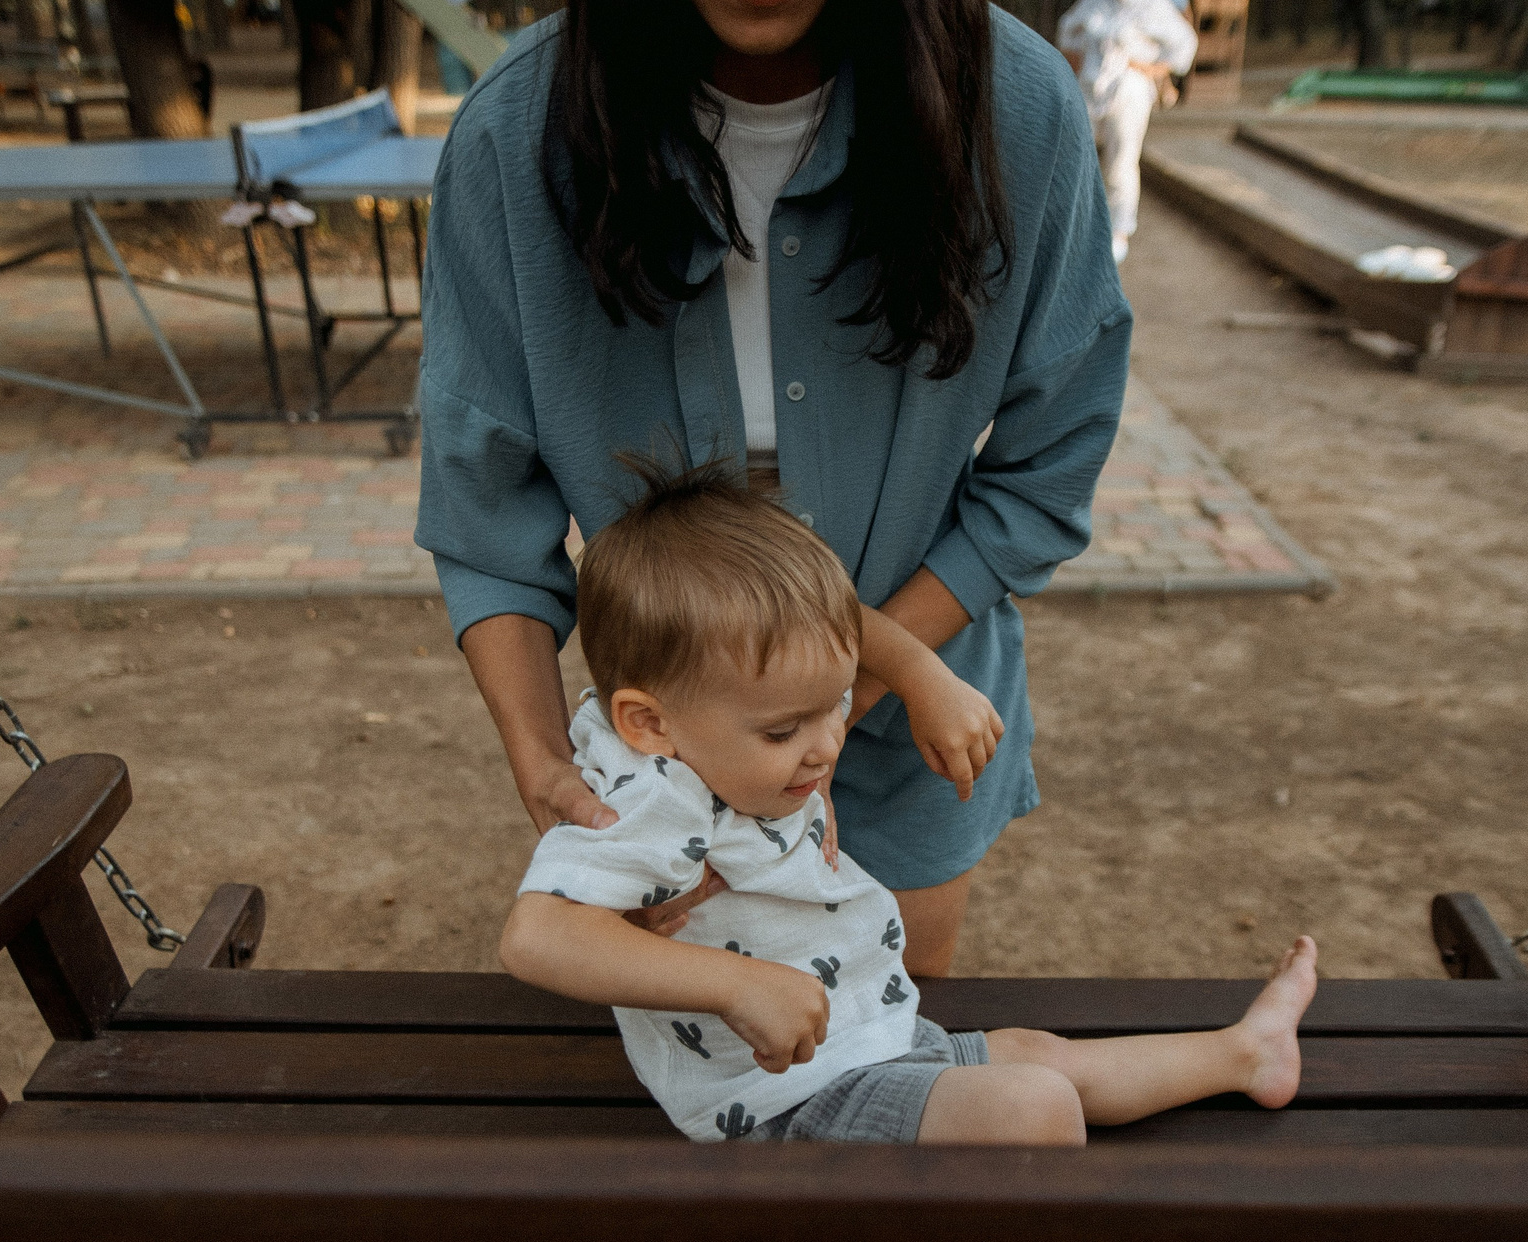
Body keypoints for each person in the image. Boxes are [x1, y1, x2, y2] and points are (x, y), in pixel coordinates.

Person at [417, 0, 1128, 983]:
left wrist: (851, 695)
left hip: (912, 722)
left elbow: (1042, 470)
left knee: (892, 1034)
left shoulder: (1020, 113)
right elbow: (485, 508)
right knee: (700, 1048)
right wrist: (540, 757)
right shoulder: (514, 140)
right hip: (674, 746)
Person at [499, 466, 1319, 1145]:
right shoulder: (652, 796)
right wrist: (734, 985)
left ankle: (1245, 1053)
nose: (826, 745)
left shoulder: (713, 734)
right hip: (788, 1098)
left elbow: (844, 643)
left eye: (836, 704)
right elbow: (536, 937)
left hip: (868, 1036)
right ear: (650, 722)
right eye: (786, 727)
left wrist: (914, 681)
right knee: (1034, 1107)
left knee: (1042, 1057)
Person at [1057, 0, 1196, 264]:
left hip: (1128, 89)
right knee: (1076, 155)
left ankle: (1118, 231)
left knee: (1120, 161)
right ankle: (1078, 225)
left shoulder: (1153, 4)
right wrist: (1073, 56)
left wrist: (1154, 69)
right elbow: (1067, 28)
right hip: (1089, 86)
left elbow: (1185, 43)